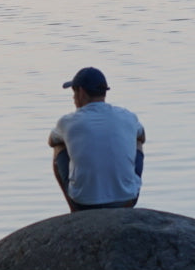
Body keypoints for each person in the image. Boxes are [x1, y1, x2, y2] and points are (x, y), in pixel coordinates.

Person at [47, 66, 144, 211]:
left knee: (59, 146)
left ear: (81, 91)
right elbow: (142, 136)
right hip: (127, 200)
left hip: (83, 203)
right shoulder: (127, 116)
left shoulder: (67, 122)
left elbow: (51, 141)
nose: (73, 98)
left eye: (74, 92)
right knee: (136, 141)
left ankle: (74, 210)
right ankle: (125, 189)